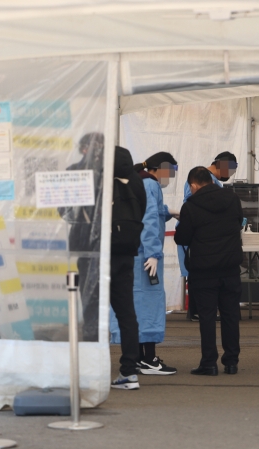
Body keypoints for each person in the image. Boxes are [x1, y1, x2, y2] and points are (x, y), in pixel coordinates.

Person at [111, 151, 178, 375]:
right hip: (145, 256)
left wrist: (168, 211)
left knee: (135, 306)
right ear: (159, 168)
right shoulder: (150, 184)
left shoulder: (138, 180)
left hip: (134, 252)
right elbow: (148, 218)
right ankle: (148, 358)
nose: (171, 176)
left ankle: (139, 357)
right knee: (149, 306)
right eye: (170, 170)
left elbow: (151, 212)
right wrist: (153, 253)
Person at [174, 166, 243, 376]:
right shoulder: (232, 199)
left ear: (194, 185)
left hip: (204, 271)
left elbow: (182, 238)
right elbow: (238, 223)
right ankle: (231, 362)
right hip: (230, 267)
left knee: (207, 317)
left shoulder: (191, 206)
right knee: (231, 315)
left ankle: (209, 363)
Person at [176, 151, 238, 321]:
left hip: (206, 240)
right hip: (201, 237)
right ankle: (196, 311)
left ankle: (201, 311)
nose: (231, 174)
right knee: (198, 275)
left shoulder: (210, 181)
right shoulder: (201, 180)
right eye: (231, 169)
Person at [58, 132, 104, 341]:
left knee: (98, 290)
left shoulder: (107, 172)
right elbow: (63, 209)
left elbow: (63, 210)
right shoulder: (75, 171)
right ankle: (91, 333)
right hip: (88, 242)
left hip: (101, 242)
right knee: (88, 288)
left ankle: (95, 332)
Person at [110, 146, 147, 390]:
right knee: (126, 313)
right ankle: (129, 370)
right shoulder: (136, 181)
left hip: (101, 252)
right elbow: (142, 211)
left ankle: (90, 368)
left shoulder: (100, 178)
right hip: (126, 252)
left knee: (92, 313)